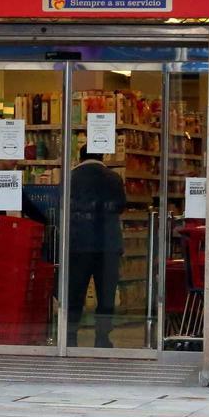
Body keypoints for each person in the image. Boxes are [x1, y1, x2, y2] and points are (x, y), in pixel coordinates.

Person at [66, 145, 127, 349]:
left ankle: (70, 335)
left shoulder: (71, 177)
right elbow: (120, 206)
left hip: (78, 243)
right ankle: (102, 336)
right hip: (107, 244)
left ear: (80, 157)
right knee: (106, 294)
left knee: (75, 292)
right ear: (102, 155)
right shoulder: (113, 178)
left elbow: (61, 204)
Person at [0, 158, 48, 230]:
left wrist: (44, 221)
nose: (16, 161)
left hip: (12, 227)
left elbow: (24, 203)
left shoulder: (12, 178)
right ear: (1, 157)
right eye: (11, 158)